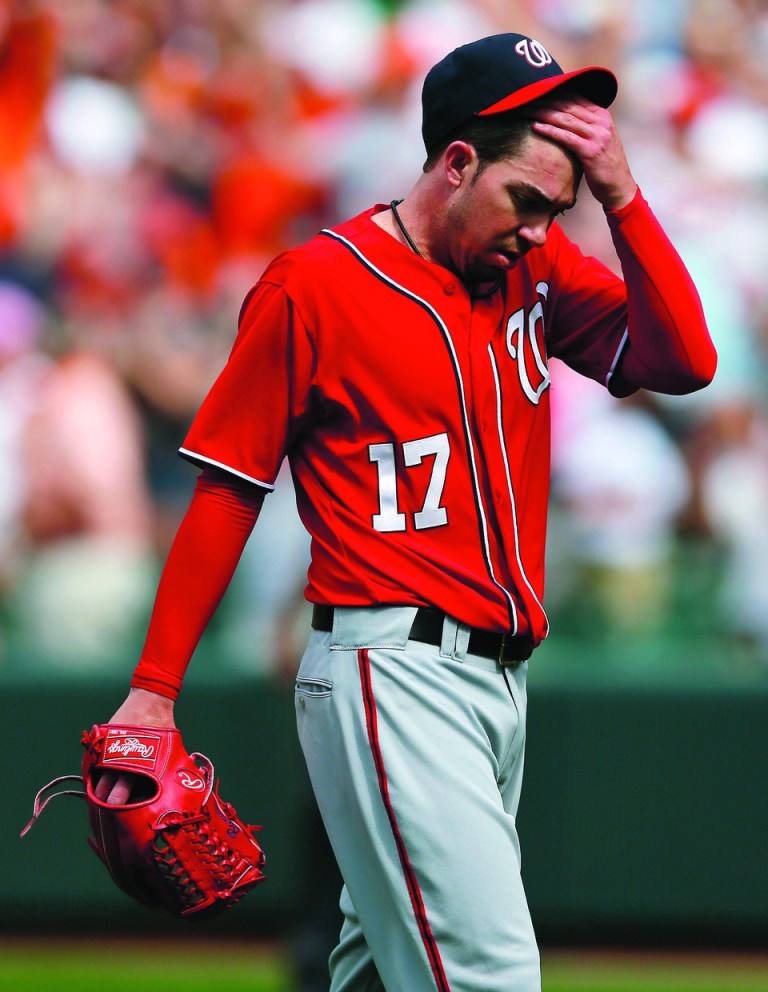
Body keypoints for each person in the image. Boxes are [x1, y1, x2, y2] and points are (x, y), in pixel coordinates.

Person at [95, 33, 716, 992]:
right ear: (457, 163)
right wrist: (154, 688)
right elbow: (227, 486)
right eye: (527, 200)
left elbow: (684, 363)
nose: (541, 230)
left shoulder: (534, 274)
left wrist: (624, 201)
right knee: (489, 976)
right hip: (392, 668)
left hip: (497, 686)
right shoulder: (316, 284)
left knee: (381, 977)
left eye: (561, 209)